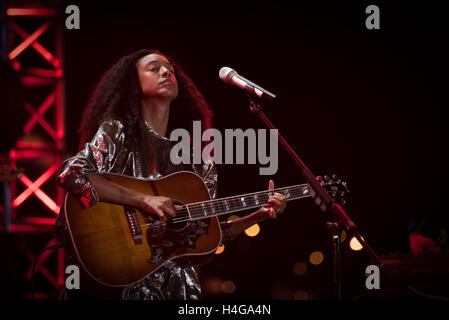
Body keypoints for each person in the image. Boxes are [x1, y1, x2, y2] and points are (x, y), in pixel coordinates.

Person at [56, 49, 287, 300]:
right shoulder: (118, 131)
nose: (166, 71)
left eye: (170, 69)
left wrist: (254, 218)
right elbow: (71, 174)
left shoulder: (198, 159)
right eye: (154, 68)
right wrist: (143, 199)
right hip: (121, 286)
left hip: (177, 292)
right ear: (134, 85)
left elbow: (202, 235)